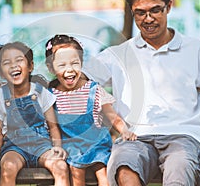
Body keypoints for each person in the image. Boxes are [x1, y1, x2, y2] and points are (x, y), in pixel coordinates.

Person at [82, 0, 200, 185]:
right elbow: (79, 80)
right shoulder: (118, 54)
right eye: (140, 12)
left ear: (169, 6)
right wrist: (107, 110)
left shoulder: (199, 49)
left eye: (155, 10)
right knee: (124, 168)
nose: (148, 19)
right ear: (132, 11)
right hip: (134, 138)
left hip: (185, 137)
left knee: (180, 168)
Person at [45, 34, 137, 186]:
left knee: (103, 174)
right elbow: (53, 127)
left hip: (97, 144)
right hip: (72, 146)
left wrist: (124, 131)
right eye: (62, 65)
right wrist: (57, 148)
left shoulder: (94, 90)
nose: (69, 70)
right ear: (51, 67)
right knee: (76, 171)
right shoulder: (51, 95)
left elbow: (112, 116)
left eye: (74, 63)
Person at [0, 41, 70, 186]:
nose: (13, 65)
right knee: (8, 167)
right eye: (7, 62)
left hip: (41, 146)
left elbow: (53, 127)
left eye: (19, 60)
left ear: (30, 66)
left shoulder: (40, 92)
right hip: (14, 147)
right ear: (1, 72)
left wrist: (57, 147)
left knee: (61, 166)